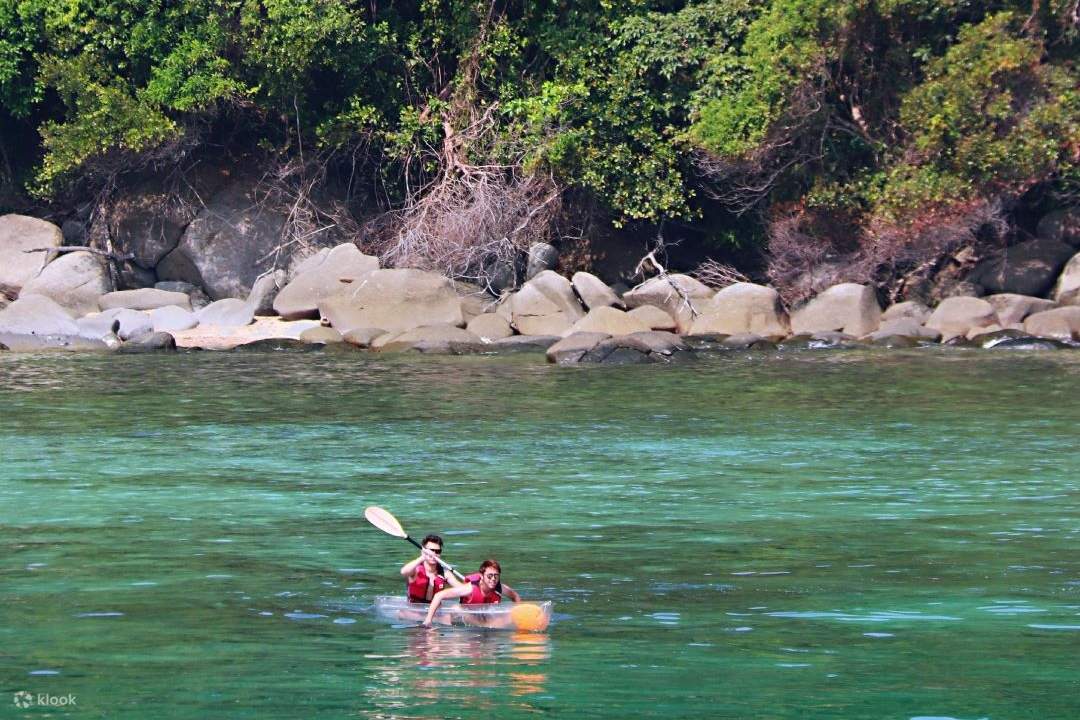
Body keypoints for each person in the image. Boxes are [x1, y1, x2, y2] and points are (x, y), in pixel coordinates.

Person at [422, 559, 521, 627]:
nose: (493, 579)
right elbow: (439, 595)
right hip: (468, 617)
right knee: (456, 609)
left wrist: (519, 614)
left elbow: (515, 596)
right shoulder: (469, 589)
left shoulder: (500, 588)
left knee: (509, 616)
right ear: (481, 576)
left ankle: (490, 626)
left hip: (486, 617)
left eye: (496, 576)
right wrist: (428, 620)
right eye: (489, 576)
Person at [400, 534, 461, 603]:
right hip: (414, 608)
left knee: (450, 614)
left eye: (437, 551)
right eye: (431, 551)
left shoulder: (445, 574)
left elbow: (462, 589)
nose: (434, 554)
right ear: (423, 551)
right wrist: (423, 557)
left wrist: (472, 585)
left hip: (435, 609)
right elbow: (403, 572)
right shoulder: (415, 571)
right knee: (403, 613)